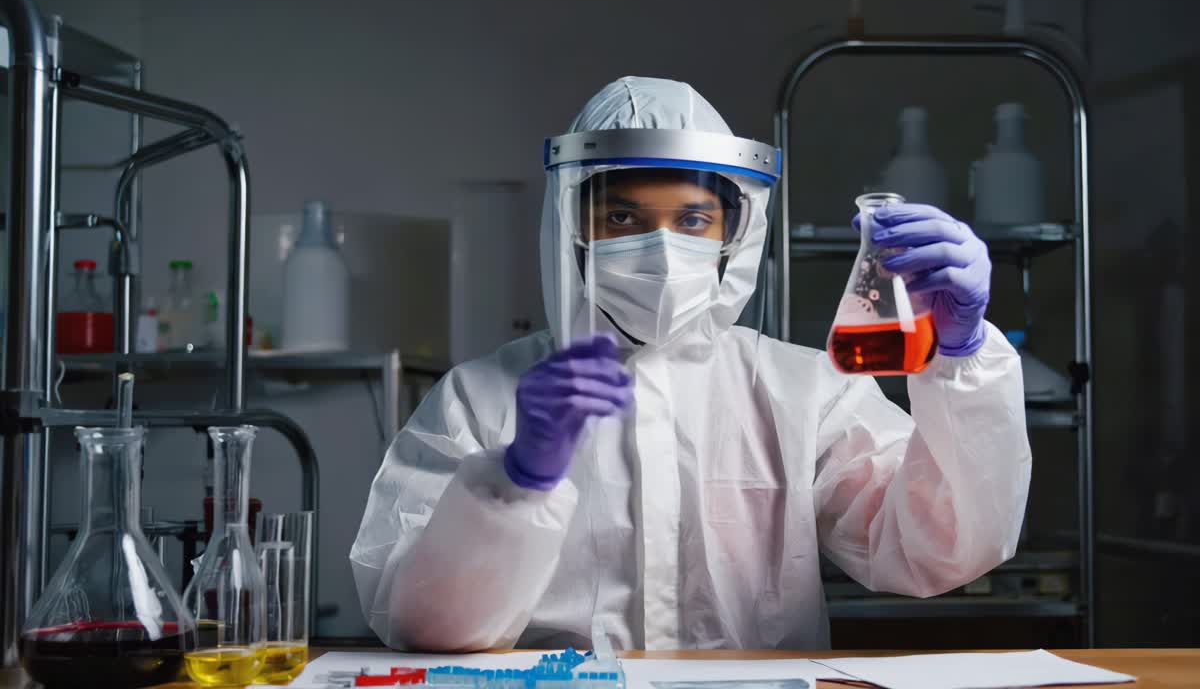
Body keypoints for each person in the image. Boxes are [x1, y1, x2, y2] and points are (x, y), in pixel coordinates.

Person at [350, 76, 1031, 652]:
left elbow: (939, 551)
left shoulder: (802, 391)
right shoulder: (480, 399)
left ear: (734, 233)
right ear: (571, 229)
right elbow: (418, 627)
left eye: (693, 220)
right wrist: (512, 480)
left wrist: (961, 358)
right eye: (621, 219)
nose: (661, 249)